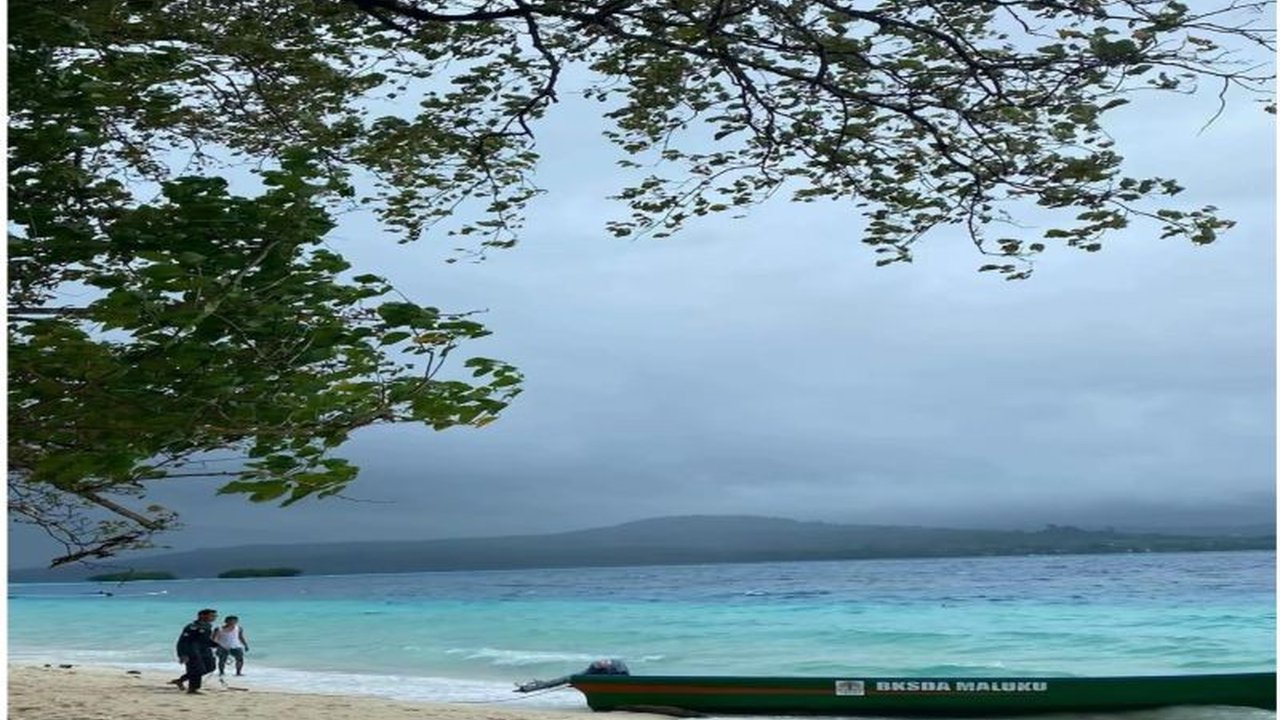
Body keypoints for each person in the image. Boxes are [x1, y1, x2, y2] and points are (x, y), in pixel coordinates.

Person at [171, 608, 220, 694]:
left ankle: (180, 680)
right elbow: (183, 641)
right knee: (197, 669)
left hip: (205, 651)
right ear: (202, 616)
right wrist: (182, 654)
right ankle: (193, 689)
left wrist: (218, 646)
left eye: (215, 616)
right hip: (192, 650)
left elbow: (205, 640)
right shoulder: (192, 627)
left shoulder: (208, 626)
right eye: (212, 616)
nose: (214, 617)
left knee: (210, 667)